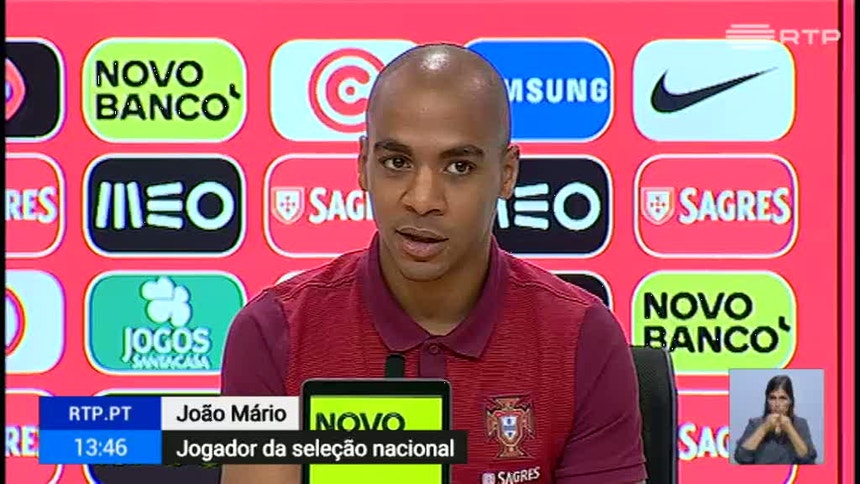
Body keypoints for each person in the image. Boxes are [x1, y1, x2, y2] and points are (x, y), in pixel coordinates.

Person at [220, 43, 646, 484]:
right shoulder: (272, 333)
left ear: (507, 174)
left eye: (459, 167)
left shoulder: (582, 336)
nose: (422, 200)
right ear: (363, 165)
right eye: (397, 162)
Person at [734, 374, 818, 465]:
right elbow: (741, 457)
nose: (777, 404)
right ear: (767, 401)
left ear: (790, 401)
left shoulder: (800, 424)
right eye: (772, 398)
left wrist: (789, 429)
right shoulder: (755, 423)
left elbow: (808, 460)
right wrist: (764, 428)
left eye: (783, 398)